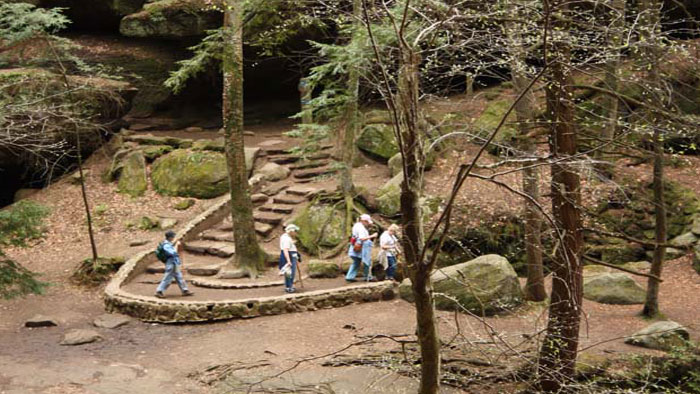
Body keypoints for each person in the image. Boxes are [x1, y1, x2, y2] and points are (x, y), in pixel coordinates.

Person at [155, 231, 194, 298]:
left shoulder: (169, 244)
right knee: (167, 278)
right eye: (173, 236)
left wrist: (176, 244)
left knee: (179, 277)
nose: (173, 238)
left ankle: (185, 290)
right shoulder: (166, 245)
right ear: (170, 237)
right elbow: (173, 253)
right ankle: (159, 291)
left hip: (175, 263)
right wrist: (176, 245)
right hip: (171, 264)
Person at [346, 214, 378, 282]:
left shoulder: (357, 225)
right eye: (367, 222)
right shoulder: (360, 228)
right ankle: (368, 276)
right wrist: (372, 236)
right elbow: (362, 238)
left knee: (356, 261)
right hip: (361, 246)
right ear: (363, 221)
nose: (367, 224)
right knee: (367, 261)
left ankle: (349, 277)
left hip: (356, 245)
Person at [279, 224, 301, 293]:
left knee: (289, 272)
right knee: (290, 272)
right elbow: (286, 250)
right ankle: (289, 287)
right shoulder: (286, 239)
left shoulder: (285, 237)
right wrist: (288, 261)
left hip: (291, 255)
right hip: (290, 256)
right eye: (295, 231)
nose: (296, 233)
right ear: (291, 231)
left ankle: (289, 286)